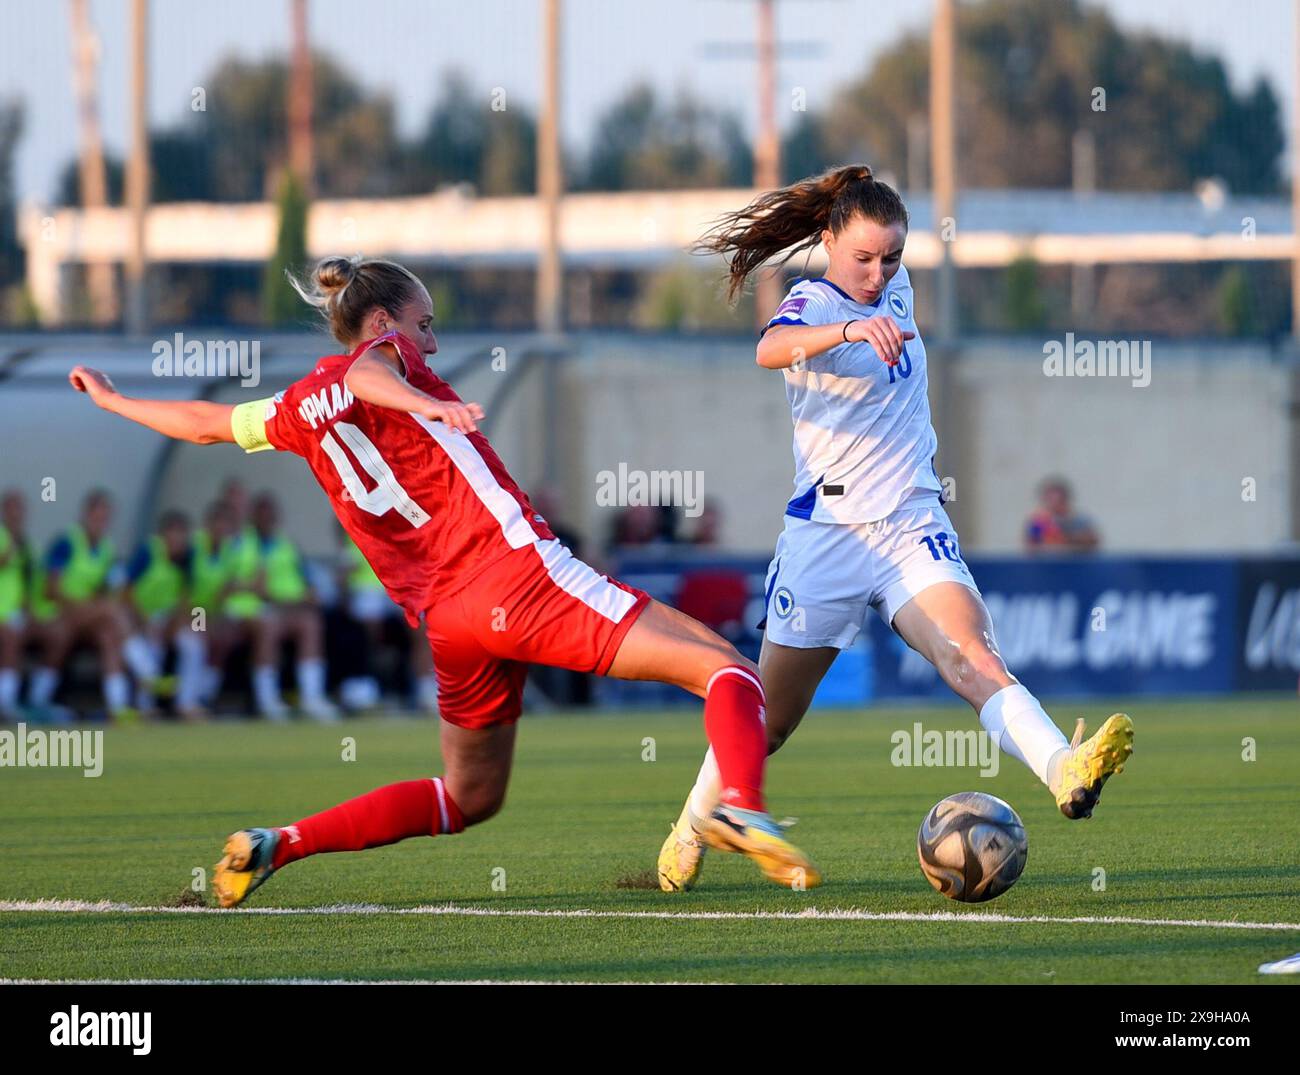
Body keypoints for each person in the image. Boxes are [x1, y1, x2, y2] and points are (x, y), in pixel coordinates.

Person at [68, 253, 817, 908]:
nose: (431, 342)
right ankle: (739, 807)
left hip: (451, 620)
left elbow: (204, 422)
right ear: (387, 319)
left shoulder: (296, 407)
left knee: (469, 797)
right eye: (425, 325)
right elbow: (366, 371)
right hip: (516, 573)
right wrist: (427, 400)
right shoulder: (383, 357)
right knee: (732, 676)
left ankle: (280, 843)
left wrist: (112, 401)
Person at [656, 164, 1134, 892]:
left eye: (891, 258)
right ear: (828, 242)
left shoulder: (895, 281)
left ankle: (1062, 768)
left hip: (910, 521)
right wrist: (847, 326)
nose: (879, 274)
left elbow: (870, 208)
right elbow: (767, 349)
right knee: (769, 720)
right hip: (830, 537)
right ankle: (694, 821)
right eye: (863, 258)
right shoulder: (811, 301)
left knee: (971, 654)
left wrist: (861, 203)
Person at [123, 510, 208, 720]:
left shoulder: (189, 557)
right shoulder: (148, 552)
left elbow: (185, 597)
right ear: (162, 536)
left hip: (166, 618)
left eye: (182, 535)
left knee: (193, 644)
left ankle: (186, 703)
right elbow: (125, 591)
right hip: (140, 616)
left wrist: (176, 623)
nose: (177, 541)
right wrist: (143, 621)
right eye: (173, 534)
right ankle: (145, 705)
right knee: (151, 646)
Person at [0, 490, 29, 721]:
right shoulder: (5, 537)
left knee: (57, 635)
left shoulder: (26, 544)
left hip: (15, 614)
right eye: (11, 509)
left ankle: (38, 699)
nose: (16, 514)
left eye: (19, 509)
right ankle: (5, 704)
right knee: (10, 637)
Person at [1024, 476, 1100, 553]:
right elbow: (1031, 545)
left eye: (1058, 500)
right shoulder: (1039, 521)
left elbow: (1092, 541)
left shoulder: (1080, 519)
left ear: (1065, 499)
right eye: (1050, 499)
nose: (1055, 504)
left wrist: (1066, 538)